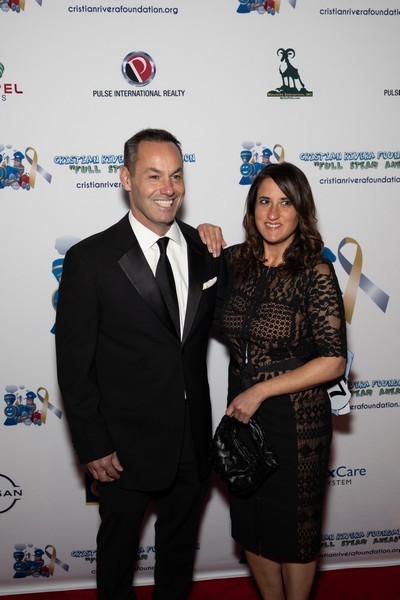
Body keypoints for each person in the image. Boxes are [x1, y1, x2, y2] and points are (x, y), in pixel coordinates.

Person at [55, 128, 222, 600]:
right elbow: (73, 365)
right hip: (121, 451)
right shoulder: (90, 259)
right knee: (116, 561)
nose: (168, 188)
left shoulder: (205, 251)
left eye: (176, 175)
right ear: (126, 178)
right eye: (153, 175)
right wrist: (93, 444)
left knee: (178, 558)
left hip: (191, 442)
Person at [201, 161, 347, 600]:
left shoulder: (315, 272)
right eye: (264, 201)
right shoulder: (234, 262)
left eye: (285, 202)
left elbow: (333, 362)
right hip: (242, 411)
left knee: (295, 528)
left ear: (301, 210)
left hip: (296, 417)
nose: (273, 213)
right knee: (252, 519)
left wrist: (261, 390)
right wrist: (201, 232)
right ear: (252, 209)